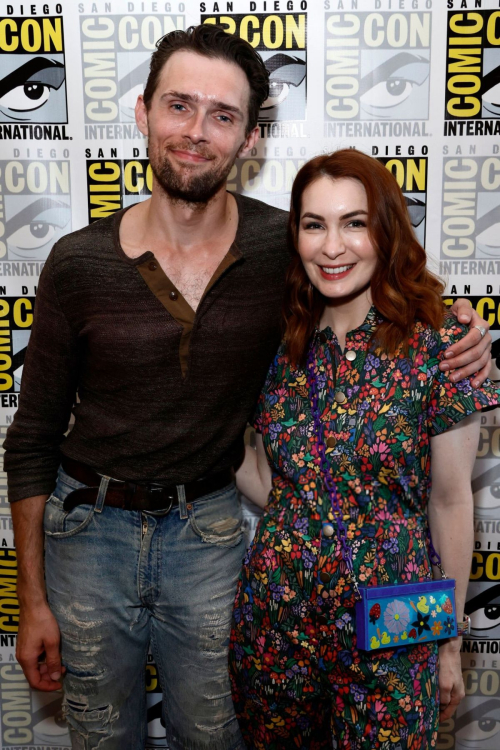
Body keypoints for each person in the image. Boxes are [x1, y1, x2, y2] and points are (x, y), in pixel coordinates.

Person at [2, 24, 491, 750]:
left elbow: (451, 495)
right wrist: (31, 599)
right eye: (179, 106)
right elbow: (42, 437)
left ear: (250, 139)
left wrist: (461, 326)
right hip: (227, 588)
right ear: (142, 112)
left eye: (223, 115)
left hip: (359, 596)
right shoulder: (98, 269)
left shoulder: (385, 317)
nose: (332, 244)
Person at [230, 149, 500, 750]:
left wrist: (448, 642)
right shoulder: (274, 345)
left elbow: (453, 502)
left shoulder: (443, 346)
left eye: (354, 222)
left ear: (385, 231)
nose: (333, 246)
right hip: (278, 616)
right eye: (313, 224)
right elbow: (264, 475)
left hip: (397, 618)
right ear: (294, 235)